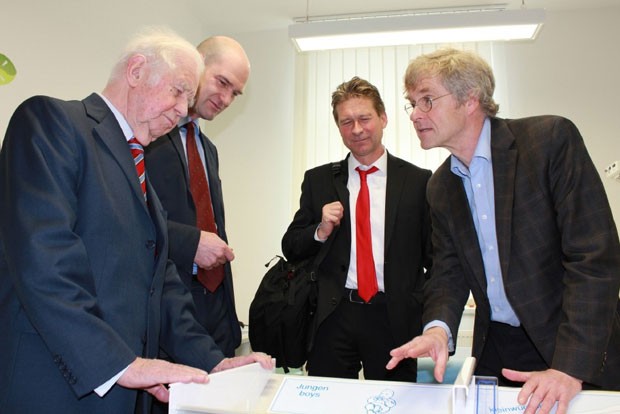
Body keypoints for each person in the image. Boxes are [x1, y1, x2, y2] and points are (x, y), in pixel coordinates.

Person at [0, 26, 272, 414]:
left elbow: (161, 283)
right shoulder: (53, 122)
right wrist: (119, 364)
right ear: (136, 70)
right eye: (178, 91)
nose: (182, 110)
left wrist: (214, 363)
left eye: (189, 99)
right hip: (53, 387)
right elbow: (44, 261)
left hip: (126, 391)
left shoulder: (138, 166)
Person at [387, 48, 620, 414]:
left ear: (470, 99)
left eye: (427, 100)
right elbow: (448, 272)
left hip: (568, 344)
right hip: (497, 350)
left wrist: (569, 367)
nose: (415, 114)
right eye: (412, 103)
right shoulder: (440, 186)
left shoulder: (548, 141)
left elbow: (594, 258)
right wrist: (437, 330)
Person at [282, 76, 432, 382]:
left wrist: (421, 306)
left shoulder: (418, 181)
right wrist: (320, 231)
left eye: (364, 118)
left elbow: (436, 257)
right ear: (338, 127)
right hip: (333, 315)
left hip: (394, 317)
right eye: (346, 122)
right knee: (329, 401)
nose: (357, 129)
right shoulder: (319, 180)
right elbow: (291, 246)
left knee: (393, 401)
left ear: (383, 118)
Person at [144, 36, 250, 360]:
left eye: (235, 93)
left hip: (215, 308)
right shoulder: (148, 136)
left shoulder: (209, 150)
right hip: (165, 304)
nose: (227, 99)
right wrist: (191, 244)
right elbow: (131, 218)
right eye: (222, 83)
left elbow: (213, 224)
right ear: (196, 64)